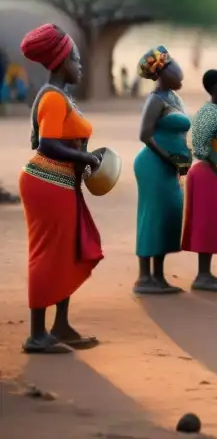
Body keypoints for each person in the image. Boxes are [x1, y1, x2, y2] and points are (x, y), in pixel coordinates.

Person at [17, 24, 104, 353]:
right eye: (76, 60)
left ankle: (61, 326)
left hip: (61, 181)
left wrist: (83, 159)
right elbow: (48, 145)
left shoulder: (59, 96)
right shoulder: (53, 98)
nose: (80, 66)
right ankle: (37, 334)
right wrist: (84, 156)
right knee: (46, 255)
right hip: (47, 181)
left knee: (65, 251)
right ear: (60, 61)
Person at [133, 46, 190, 295]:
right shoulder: (155, 99)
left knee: (169, 216)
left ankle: (159, 276)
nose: (181, 73)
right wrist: (169, 158)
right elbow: (145, 134)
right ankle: (144, 278)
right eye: (175, 68)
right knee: (152, 216)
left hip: (170, 166)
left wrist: (182, 158)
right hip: (153, 165)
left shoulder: (174, 98)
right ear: (163, 71)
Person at [182, 69, 217, 291]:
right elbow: (201, 149)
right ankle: (202, 276)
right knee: (206, 224)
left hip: (213, 173)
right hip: (208, 174)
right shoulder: (208, 113)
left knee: (213, 223)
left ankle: (205, 273)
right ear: (216, 89)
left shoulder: (215, 111)